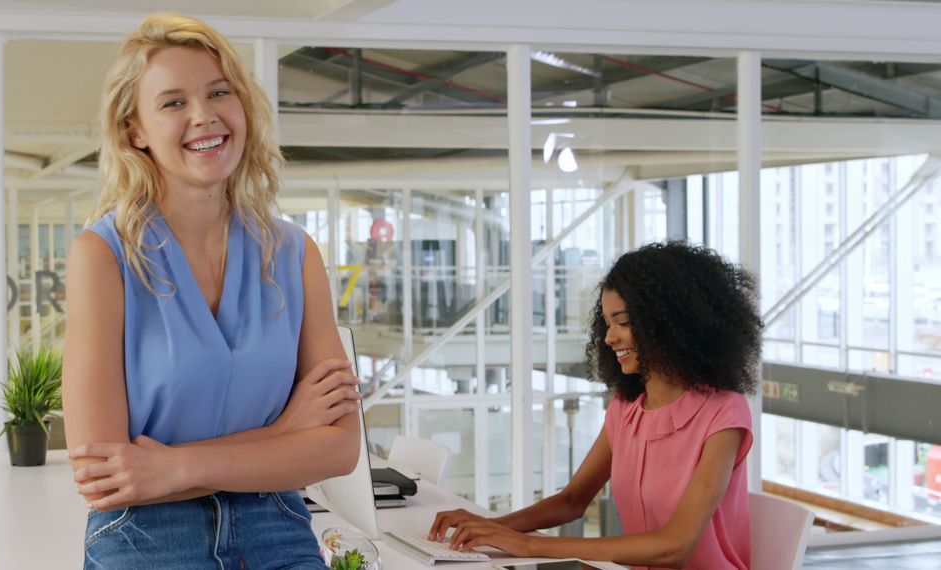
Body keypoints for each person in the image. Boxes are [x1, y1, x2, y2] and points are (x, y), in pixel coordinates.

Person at [61, 12, 362, 569]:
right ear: (135, 130)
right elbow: (106, 479)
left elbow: (340, 449)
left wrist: (173, 468)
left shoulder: (295, 254)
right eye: (173, 102)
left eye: (219, 93)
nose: (204, 116)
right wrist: (282, 435)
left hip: (280, 530)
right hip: (146, 541)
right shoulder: (103, 257)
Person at [431, 241, 761, 569]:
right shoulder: (626, 408)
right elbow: (572, 500)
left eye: (623, 322)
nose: (609, 337)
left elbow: (674, 547)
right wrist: (490, 527)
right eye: (607, 323)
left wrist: (527, 544)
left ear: (669, 323)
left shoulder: (724, 413)